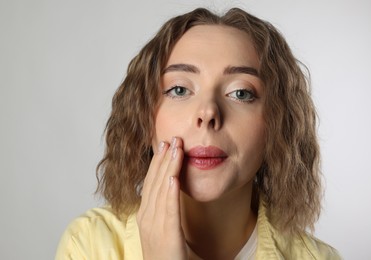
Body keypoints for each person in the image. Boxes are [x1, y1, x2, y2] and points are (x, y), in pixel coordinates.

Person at [56, 7, 341, 260]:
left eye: (240, 93)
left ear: (279, 123)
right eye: (179, 89)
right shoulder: (88, 245)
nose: (208, 112)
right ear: (144, 117)